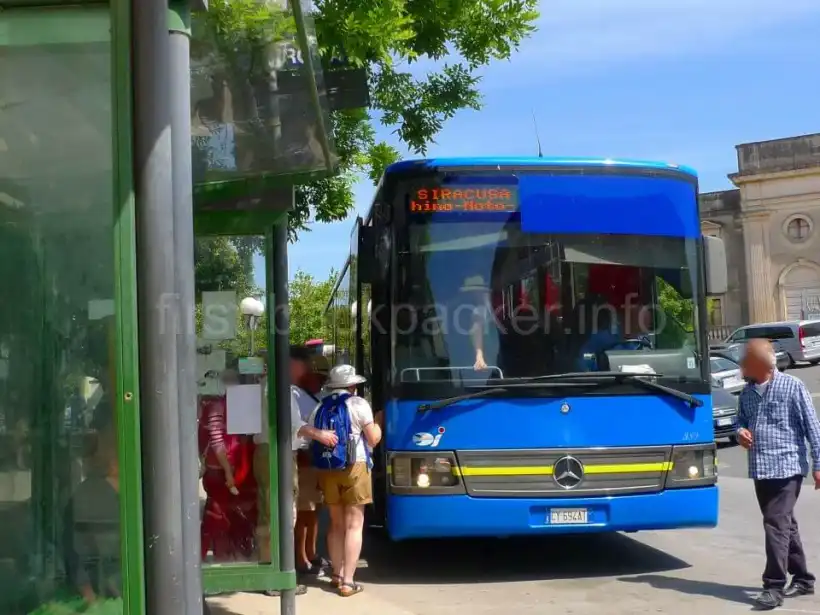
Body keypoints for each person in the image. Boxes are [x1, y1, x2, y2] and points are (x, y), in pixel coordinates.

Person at [736, 339, 820, 609]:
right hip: (761, 470)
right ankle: (803, 579)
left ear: (758, 364)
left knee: (775, 523)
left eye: (744, 361)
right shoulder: (746, 394)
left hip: (788, 469)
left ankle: (773, 586)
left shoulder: (793, 386)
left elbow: (813, 428)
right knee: (784, 525)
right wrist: (740, 433)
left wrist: (819, 465)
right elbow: (739, 421)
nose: (740, 366)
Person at [254, 346, 338, 596]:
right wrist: (319, 434)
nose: (305, 371)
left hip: (271, 451)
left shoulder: (272, 385)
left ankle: (271, 570)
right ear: (291, 364)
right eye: (303, 365)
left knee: (274, 512)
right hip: (277, 452)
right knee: (281, 513)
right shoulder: (278, 388)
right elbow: (292, 424)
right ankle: (275, 576)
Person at [309, 364, 382, 597]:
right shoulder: (358, 404)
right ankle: (348, 582)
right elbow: (372, 440)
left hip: (327, 468)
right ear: (352, 385)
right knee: (354, 525)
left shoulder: (320, 405)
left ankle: (337, 574)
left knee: (336, 524)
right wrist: (378, 422)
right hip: (355, 467)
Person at [198, 368, 257, 562]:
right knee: (216, 514)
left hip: (231, 467)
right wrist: (227, 470)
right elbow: (216, 441)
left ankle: (223, 554)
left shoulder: (231, 405)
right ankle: (210, 555)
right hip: (221, 470)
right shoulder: (218, 406)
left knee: (223, 513)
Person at [294, 354, 330, 576]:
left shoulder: (318, 397)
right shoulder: (295, 396)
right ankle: (300, 558)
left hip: (317, 461)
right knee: (304, 512)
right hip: (303, 460)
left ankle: (312, 552)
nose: (321, 381)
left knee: (315, 511)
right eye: (317, 376)